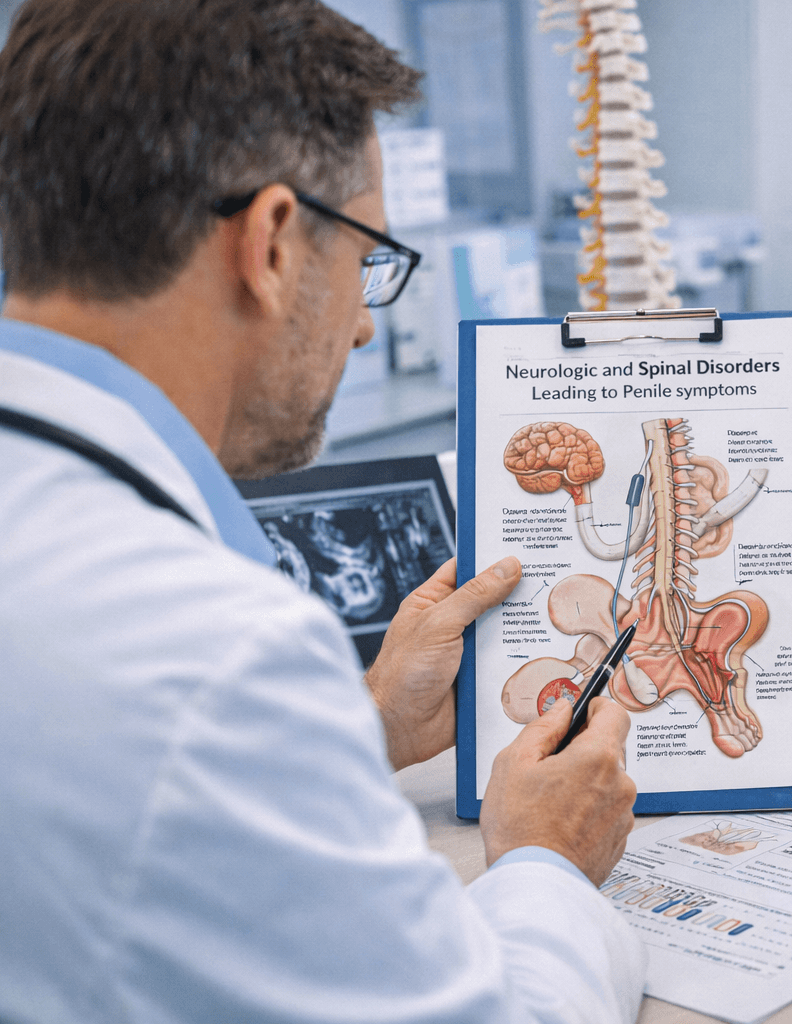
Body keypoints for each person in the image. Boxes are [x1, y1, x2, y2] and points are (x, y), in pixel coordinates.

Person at [0, 1, 644, 1021]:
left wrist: (358, 725)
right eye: (367, 261)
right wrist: (548, 866)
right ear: (271, 243)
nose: (357, 334)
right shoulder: (213, 649)